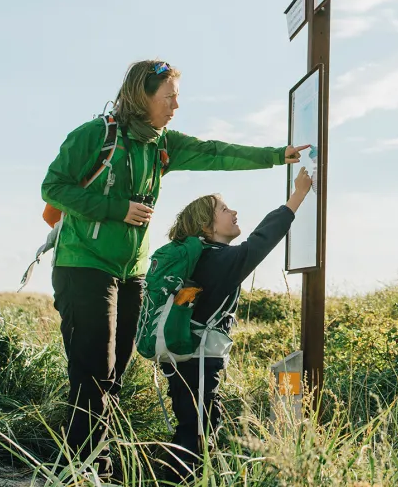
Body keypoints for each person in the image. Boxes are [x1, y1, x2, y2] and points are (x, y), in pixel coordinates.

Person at [41, 59, 307, 479]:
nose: (176, 106)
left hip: (130, 272)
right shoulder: (94, 135)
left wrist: (276, 155)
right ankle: (79, 468)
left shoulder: (162, 144)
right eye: (169, 97)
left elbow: (215, 153)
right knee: (94, 369)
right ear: (141, 96)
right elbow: (53, 187)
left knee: (113, 373)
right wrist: (117, 208)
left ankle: (92, 461)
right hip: (84, 266)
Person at [158, 166, 314, 481]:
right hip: (198, 360)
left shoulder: (204, 258)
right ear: (206, 225)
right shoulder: (217, 260)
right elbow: (261, 241)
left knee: (196, 427)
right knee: (197, 432)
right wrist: (297, 196)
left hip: (186, 356)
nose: (234, 212)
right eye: (224, 209)